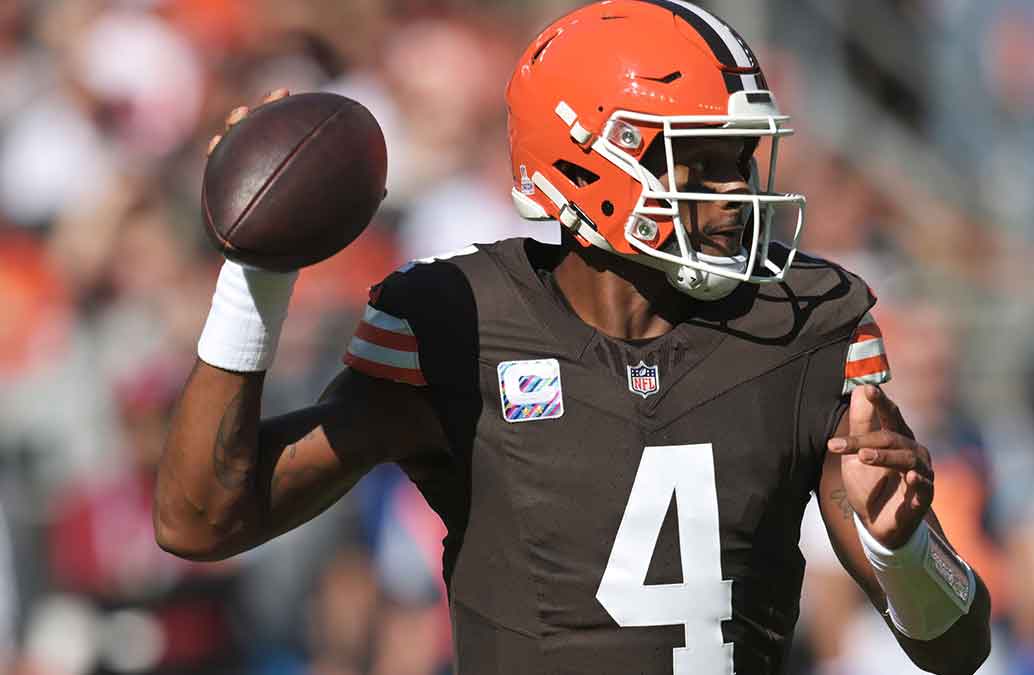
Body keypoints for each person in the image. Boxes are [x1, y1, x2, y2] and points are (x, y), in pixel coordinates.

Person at [154, 2, 991, 673]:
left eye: (743, 158)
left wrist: (905, 549)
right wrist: (255, 277)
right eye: (699, 162)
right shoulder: (458, 322)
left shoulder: (807, 322)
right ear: (586, 165)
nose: (737, 195)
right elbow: (203, 520)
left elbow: (956, 644)